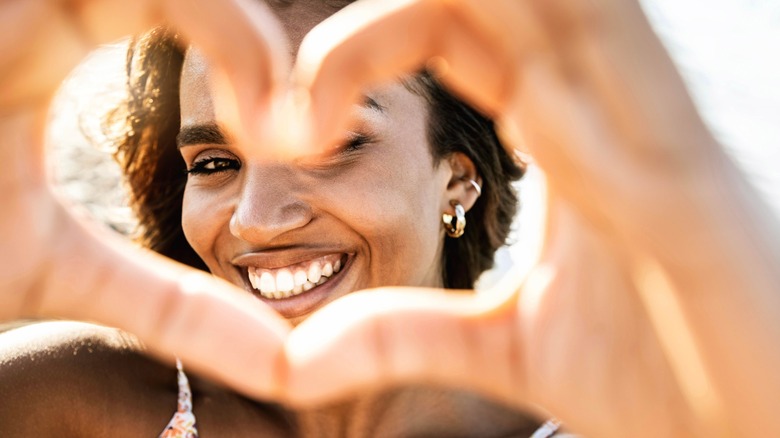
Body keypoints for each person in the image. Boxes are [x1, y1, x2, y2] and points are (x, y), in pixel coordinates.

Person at [0, 0, 779, 437]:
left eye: (336, 145)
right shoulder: (65, 399)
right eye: (214, 163)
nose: (257, 218)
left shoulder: (632, 418)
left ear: (459, 179)